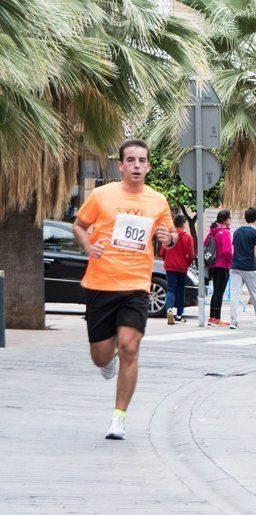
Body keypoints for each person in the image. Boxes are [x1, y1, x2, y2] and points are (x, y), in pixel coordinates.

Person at [72, 139, 179, 440]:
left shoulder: (158, 201)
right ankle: (109, 360)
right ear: (120, 165)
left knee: (131, 347)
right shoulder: (101, 195)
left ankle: (118, 418)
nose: (135, 165)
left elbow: (170, 236)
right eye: (129, 160)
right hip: (101, 283)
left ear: (148, 166)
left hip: (136, 284)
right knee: (100, 357)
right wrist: (89, 245)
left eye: (141, 160)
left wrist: (167, 237)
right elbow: (79, 225)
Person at [229, 207, 256, 329]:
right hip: (249, 267)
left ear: (245, 217)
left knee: (234, 294)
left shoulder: (237, 231)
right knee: (254, 294)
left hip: (235, 266)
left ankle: (233, 321)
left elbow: (233, 249)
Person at [159, 214, 194, 325]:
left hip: (170, 266)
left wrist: (167, 260)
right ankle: (179, 315)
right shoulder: (188, 237)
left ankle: (169, 310)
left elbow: (162, 253)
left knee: (170, 289)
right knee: (180, 291)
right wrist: (187, 264)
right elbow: (191, 255)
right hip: (182, 268)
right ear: (184, 224)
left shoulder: (169, 236)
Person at [204, 210, 233, 326]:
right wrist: (232, 260)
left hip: (212, 265)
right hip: (222, 265)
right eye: (230, 218)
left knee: (215, 292)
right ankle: (217, 318)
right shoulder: (225, 232)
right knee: (219, 292)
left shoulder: (212, 231)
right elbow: (227, 251)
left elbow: (205, 245)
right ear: (225, 220)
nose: (231, 220)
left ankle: (212, 317)